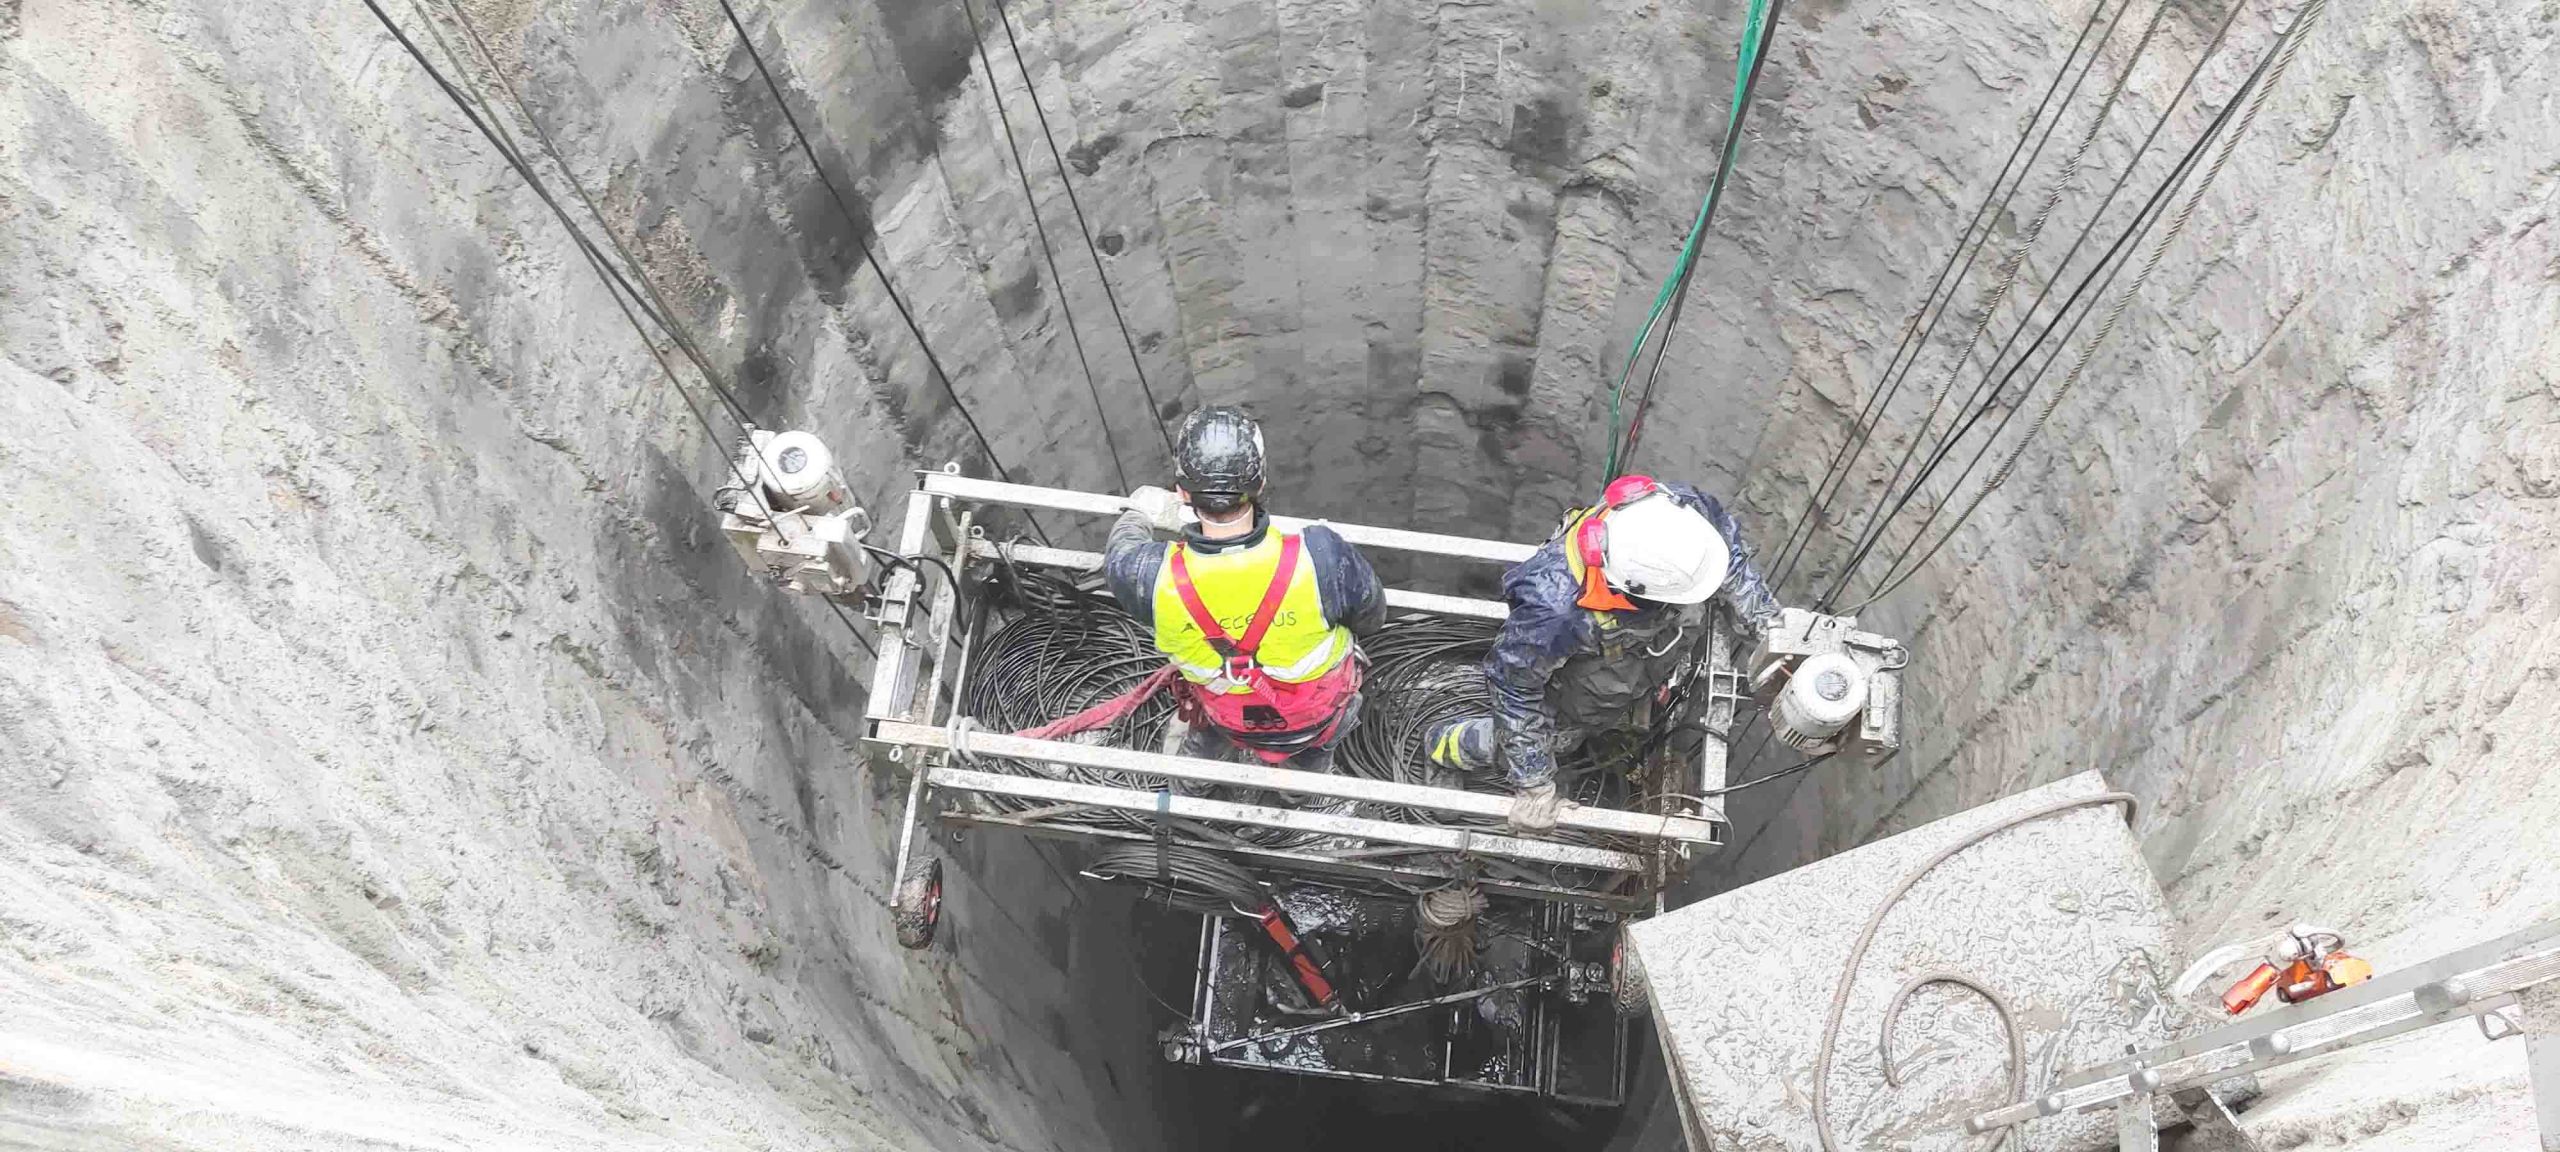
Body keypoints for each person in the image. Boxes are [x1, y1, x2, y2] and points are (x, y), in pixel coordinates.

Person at [1425, 475, 1781, 831]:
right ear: (1636, 591)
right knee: (1557, 740)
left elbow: (1725, 553)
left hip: (1636, 667)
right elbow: (1514, 688)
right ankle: (1442, 748)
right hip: (1578, 690)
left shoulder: (1677, 514)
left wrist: (1771, 630)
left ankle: (1597, 724)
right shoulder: (1555, 611)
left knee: (1597, 720)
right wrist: (1534, 783)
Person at [1104, 406, 1387, 772]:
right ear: (1261, 485)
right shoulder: (1321, 557)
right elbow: (1372, 619)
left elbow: (1120, 554)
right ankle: (1294, 800)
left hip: (1228, 718)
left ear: (1182, 494)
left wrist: (1139, 514)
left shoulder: (1146, 577)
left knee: (1206, 743)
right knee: (1312, 760)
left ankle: (1191, 795)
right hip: (1317, 716)